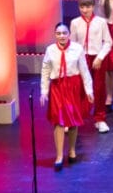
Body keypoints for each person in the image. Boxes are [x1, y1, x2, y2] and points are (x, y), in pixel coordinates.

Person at [40, 23, 94, 169]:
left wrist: (89, 91)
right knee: (58, 121)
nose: (62, 36)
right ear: (55, 35)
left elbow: (84, 70)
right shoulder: (50, 50)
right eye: (58, 33)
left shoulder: (77, 49)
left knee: (72, 120)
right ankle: (59, 156)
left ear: (69, 34)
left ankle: (71, 150)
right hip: (57, 87)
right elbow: (45, 71)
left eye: (64, 33)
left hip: (73, 87)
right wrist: (44, 92)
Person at [69, 0, 112, 134]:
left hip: (97, 58)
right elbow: (73, 43)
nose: (85, 10)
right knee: (79, 88)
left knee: (99, 88)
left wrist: (100, 57)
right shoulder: (75, 23)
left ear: (93, 6)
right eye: (82, 7)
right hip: (81, 58)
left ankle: (100, 119)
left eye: (87, 6)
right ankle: (76, 117)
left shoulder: (101, 22)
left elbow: (108, 42)